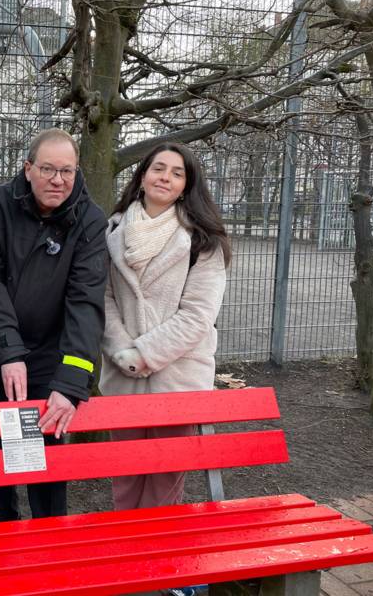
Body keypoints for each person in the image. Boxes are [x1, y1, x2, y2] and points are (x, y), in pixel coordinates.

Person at [0, 128, 108, 522]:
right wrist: (8, 352)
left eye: (67, 170)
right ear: (28, 168)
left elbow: (85, 302)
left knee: (47, 440)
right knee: (1, 433)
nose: (58, 180)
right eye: (47, 169)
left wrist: (70, 383)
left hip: (52, 348)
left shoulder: (91, 220)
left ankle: (50, 528)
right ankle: (5, 514)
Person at [99, 142, 231, 513]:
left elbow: (197, 315)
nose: (166, 178)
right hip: (123, 378)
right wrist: (123, 352)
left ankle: (161, 563)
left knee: (165, 485)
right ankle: (129, 558)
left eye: (177, 173)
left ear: (186, 186)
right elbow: (103, 300)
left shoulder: (204, 241)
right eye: (159, 168)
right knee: (125, 478)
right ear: (142, 176)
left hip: (178, 380)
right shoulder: (111, 231)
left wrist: (143, 354)